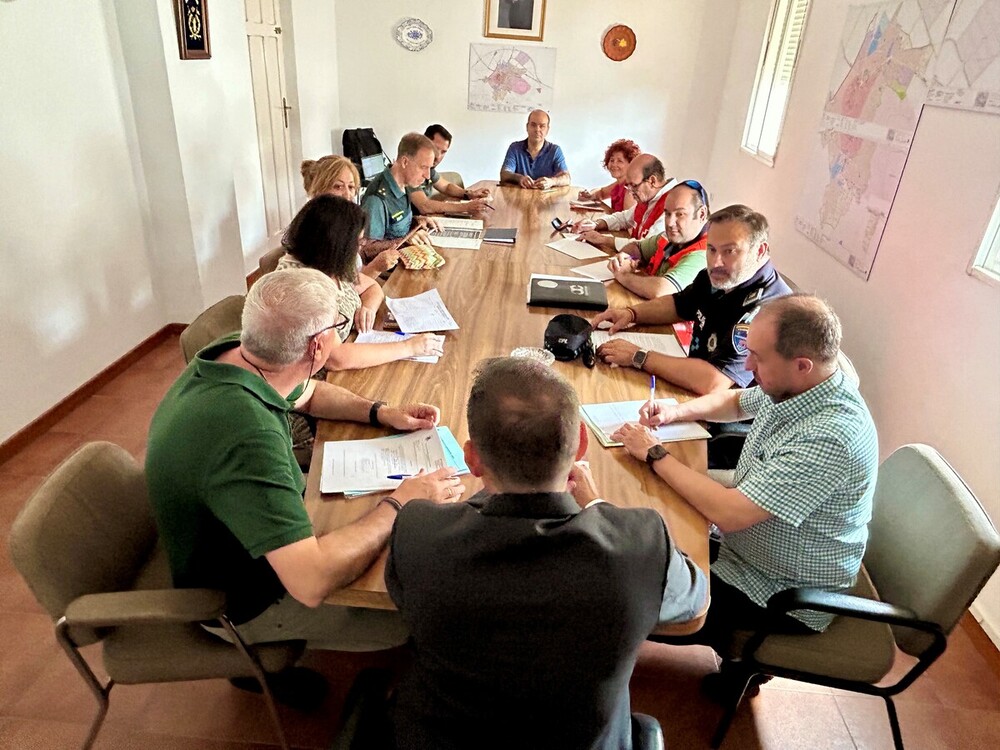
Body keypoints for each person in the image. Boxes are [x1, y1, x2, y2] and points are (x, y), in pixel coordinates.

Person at [385, 357, 706, 749]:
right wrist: (598, 507)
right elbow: (694, 599)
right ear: (581, 445)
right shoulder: (640, 542)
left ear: (472, 459)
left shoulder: (418, 531)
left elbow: (404, 599)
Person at [146, 268, 465, 654]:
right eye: (338, 326)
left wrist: (381, 413)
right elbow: (311, 582)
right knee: (419, 606)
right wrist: (401, 504)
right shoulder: (247, 435)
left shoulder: (240, 353)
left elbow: (308, 392)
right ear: (317, 346)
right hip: (243, 601)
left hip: (230, 536)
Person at [610, 295, 878, 691]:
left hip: (780, 590)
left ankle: (742, 662)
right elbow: (736, 401)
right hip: (750, 547)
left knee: (626, 598)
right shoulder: (803, 384)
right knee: (649, 539)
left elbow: (730, 513)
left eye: (758, 358)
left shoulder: (833, 436)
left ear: (802, 364)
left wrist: (654, 453)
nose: (747, 366)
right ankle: (742, 667)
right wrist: (675, 413)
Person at [592, 204, 792, 396]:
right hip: (691, 387)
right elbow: (680, 304)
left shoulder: (767, 310)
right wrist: (631, 313)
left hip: (726, 417)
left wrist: (639, 356)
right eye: (711, 249)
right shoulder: (720, 276)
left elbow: (714, 382)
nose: (716, 262)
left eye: (729, 251)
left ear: (760, 251)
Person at [278, 195, 444, 367]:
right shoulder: (302, 286)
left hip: (353, 345)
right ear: (334, 244)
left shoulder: (331, 262)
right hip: (314, 376)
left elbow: (372, 286)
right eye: (357, 242)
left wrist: (368, 308)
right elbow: (336, 359)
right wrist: (409, 347)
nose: (361, 247)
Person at [607, 180, 711, 299]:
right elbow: (637, 247)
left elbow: (661, 290)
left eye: (680, 214)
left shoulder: (705, 253)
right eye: (667, 214)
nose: (670, 223)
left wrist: (623, 275)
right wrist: (625, 258)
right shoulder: (671, 237)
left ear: (702, 214)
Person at [300, 155, 401, 277]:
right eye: (338, 186)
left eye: (351, 187)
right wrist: (375, 267)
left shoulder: (342, 225)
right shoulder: (318, 234)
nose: (348, 194)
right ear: (318, 191)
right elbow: (343, 290)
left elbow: (355, 272)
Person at [571, 153, 676, 253]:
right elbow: (623, 218)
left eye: (634, 185)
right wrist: (596, 224)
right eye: (628, 186)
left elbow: (646, 247)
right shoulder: (650, 197)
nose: (630, 191)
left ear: (652, 181)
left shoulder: (673, 204)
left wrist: (603, 240)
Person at [362, 133, 441, 241]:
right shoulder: (376, 200)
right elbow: (367, 248)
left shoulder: (405, 183)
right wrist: (405, 240)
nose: (427, 176)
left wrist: (417, 221)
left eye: (429, 168)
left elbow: (394, 225)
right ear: (404, 162)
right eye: (423, 167)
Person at [406, 124, 492, 216]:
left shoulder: (429, 169)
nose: (438, 156)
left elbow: (446, 186)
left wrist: (470, 194)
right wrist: (466, 207)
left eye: (443, 152)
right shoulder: (410, 168)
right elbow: (424, 206)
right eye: (435, 148)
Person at [500, 109, 571, 189]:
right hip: (519, 198)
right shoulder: (515, 148)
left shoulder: (555, 150)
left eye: (542, 126)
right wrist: (520, 178)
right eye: (533, 125)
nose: (537, 130)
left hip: (547, 199)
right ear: (527, 127)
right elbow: (504, 174)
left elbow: (567, 178)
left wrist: (551, 181)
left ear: (547, 130)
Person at [577, 138, 640, 212]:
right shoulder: (619, 184)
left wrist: (604, 210)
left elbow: (627, 221)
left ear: (631, 164)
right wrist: (589, 195)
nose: (614, 164)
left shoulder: (630, 191)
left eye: (620, 161)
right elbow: (601, 192)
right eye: (612, 160)